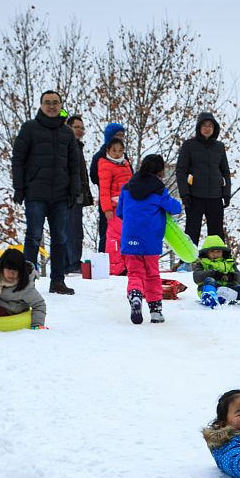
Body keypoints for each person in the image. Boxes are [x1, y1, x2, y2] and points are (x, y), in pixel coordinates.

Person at [11, 90, 84, 295]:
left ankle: (57, 280)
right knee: (33, 236)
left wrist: (74, 190)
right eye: (47, 103)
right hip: (35, 193)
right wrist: (19, 187)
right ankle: (26, 281)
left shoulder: (67, 133)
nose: (52, 106)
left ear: (61, 105)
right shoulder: (29, 128)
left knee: (60, 237)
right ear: (41, 105)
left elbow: (74, 164)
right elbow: (18, 159)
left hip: (61, 195)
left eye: (55, 102)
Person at [117, 154, 182, 324]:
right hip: (151, 240)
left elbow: (119, 212)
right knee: (152, 275)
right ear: (160, 171)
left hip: (130, 238)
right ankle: (155, 312)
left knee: (134, 273)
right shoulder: (159, 190)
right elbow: (175, 208)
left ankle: (136, 295)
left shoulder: (126, 188)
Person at [175, 111, 231, 243]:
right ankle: (187, 262)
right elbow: (181, 171)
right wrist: (184, 194)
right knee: (191, 232)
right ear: (199, 128)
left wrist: (226, 194)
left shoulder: (219, 147)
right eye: (204, 125)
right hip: (194, 196)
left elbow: (226, 172)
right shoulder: (189, 145)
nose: (207, 128)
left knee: (216, 233)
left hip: (215, 196)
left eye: (210, 125)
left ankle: (217, 261)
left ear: (214, 128)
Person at [96, 139, 133, 276]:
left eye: (120, 151)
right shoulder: (105, 165)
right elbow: (104, 189)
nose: (117, 154)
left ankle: (127, 264)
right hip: (114, 206)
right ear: (108, 151)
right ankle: (116, 267)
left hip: (128, 206)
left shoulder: (125, 164)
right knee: (114, 237)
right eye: (114, 151)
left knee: (127, 236)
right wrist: (107, 209)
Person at [65, 114, 95, 277]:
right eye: (77, 127)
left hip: (79, 194)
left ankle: (71, 262)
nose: (80, 130)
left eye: (82, 128)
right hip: (70, 195)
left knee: (75, 229)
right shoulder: (68, 146)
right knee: (72, 230)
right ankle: (72, 263)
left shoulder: (77, 146)